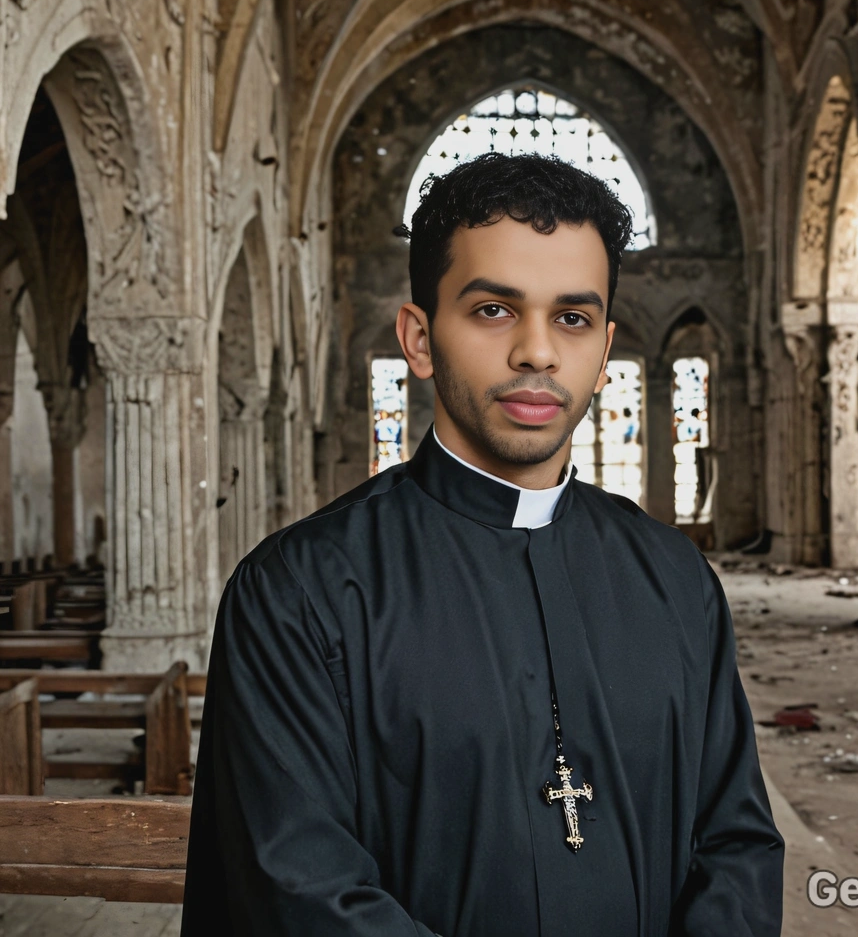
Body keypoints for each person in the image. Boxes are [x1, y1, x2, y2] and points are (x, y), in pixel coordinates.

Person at [181, 151, 785, 936]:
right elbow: (298, 887)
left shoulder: (674, 578)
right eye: (494, 309)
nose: (537, 351)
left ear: (604, 353)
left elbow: (736, 844)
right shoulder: (300, 592)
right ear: (421, 339)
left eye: (571, 318)